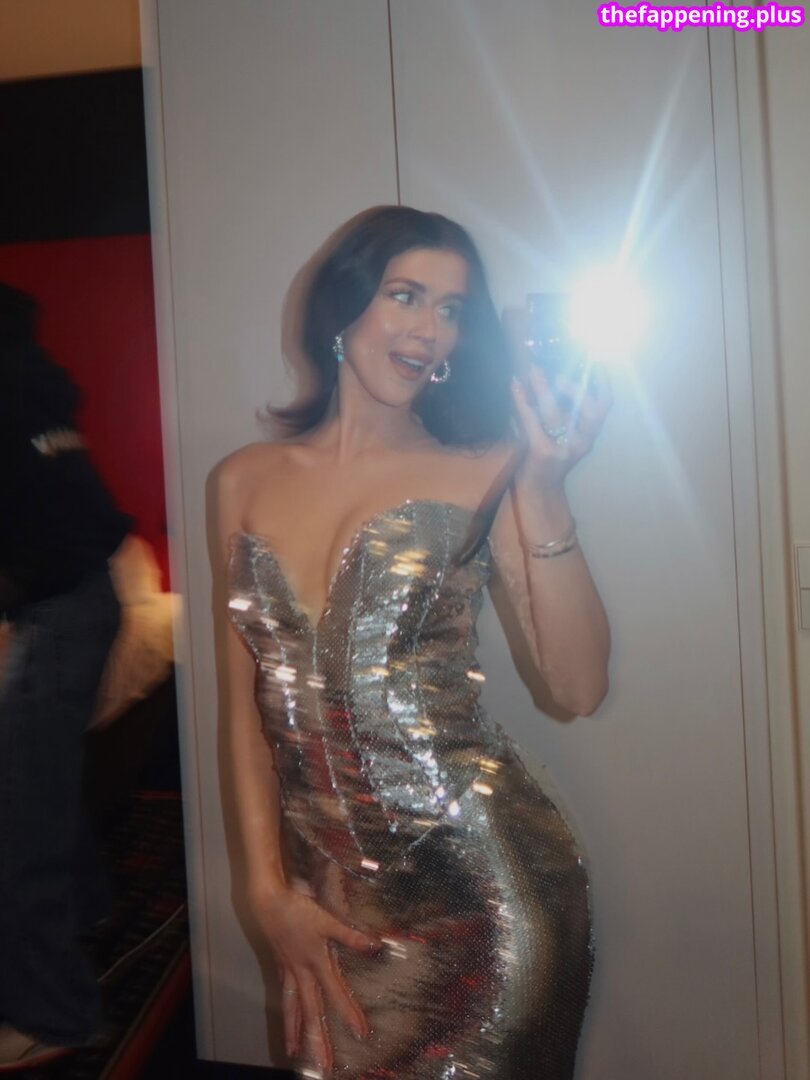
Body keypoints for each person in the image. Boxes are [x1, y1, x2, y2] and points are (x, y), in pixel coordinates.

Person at [217, 206, 611, 1079]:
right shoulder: (242, 479)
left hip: (488, 896)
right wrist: (265, 890)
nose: (430, 328)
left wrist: (545, 488)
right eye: (405, 295)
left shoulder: (491, 467)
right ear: (345, 304)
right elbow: (246, 716)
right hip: (333, 899)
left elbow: (578, 687)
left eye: (452, 308)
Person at [0, 283, 131, 1070]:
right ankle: (88, 907)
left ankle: (55, 1015)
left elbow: (35, 532)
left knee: (18, 822)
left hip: (57, 608)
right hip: (87, 594)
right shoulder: (29, 373)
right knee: (39, 783)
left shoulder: (12, 385)